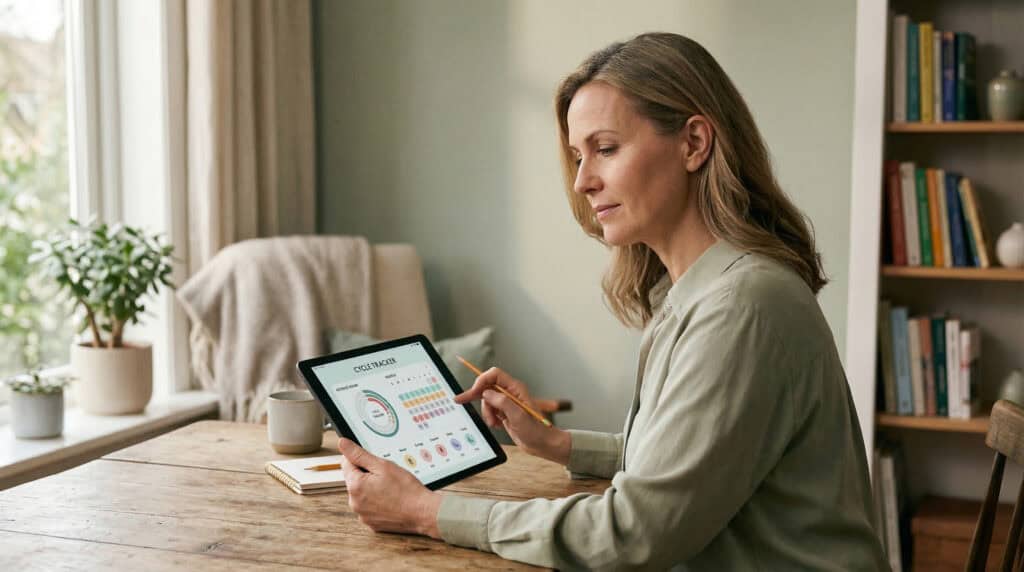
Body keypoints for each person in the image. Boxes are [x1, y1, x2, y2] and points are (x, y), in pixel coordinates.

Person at [336, 32, 887, 570]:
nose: (581, 181)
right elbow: (682, 464)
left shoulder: (742, 306)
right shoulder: (697, 291)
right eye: (578, 156)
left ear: (694, 144)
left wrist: (426, 511)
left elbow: (634, 533)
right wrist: (557, 444)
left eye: (605, 149)